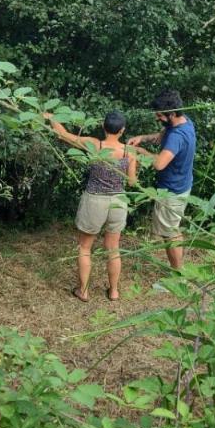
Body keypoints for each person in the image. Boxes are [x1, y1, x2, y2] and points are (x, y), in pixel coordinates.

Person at [44, 110, 138, 302]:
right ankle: (114, 291)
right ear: (122, 130)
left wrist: (52, 118)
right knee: (113, 248)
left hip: (95, 200)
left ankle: (84, 291)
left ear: (104, 127)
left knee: (85, 247)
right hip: (118, 202)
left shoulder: (96, 145)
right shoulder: (130, 152)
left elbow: (64, 136)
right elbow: (131, 182)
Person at [127, 89, 196, 270]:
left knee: (169, 233)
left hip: (172, 191)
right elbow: (160, 136)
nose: (157, 118)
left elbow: (159, 164)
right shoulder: (184, 122)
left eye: (160, 116)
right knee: (173, 228)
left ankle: (177, 273)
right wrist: (142, 138)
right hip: (182, 184)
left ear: (172, 114)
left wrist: (139, 152)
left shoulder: (176, 136)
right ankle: (178, 268)